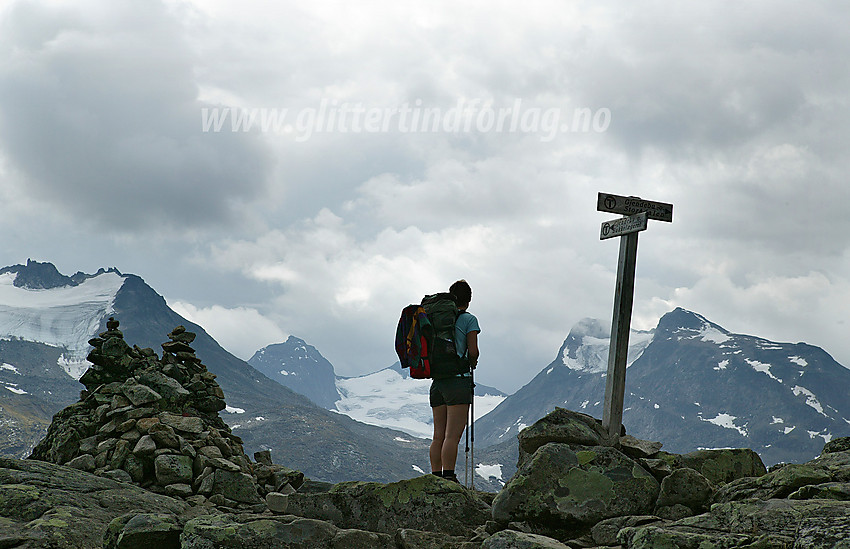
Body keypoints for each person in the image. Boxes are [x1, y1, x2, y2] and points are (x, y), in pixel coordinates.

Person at [429, 279, 480, 483]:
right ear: (468, 300)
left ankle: (435, 477)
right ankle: (448, 478)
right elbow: (473, 351)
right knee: (452, 436)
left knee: (438, 436)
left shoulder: (437, 318)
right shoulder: (469, 320)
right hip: (458, 381)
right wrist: (472, 362)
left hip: (437, 382)